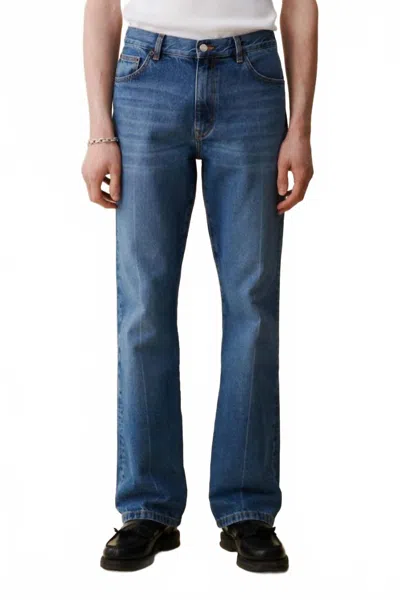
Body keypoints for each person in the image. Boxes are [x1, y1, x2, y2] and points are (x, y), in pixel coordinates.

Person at [82, 0, 318, 573]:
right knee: (143, 307)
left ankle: (247, 508)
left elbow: (301, 4)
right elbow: (103, 6)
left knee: (252, 307)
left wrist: (301, 129)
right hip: (147, 75)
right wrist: (99, 132)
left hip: (251, 79)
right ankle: (148, 507)